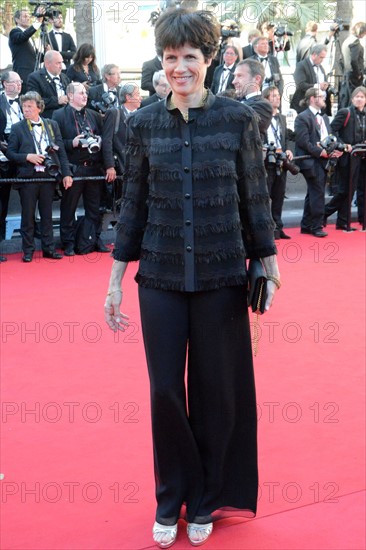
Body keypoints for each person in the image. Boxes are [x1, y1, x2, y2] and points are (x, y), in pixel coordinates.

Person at [104, 7, 280, 549]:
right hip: (158, 274)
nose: (180, 67)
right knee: (164, 392)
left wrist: (268, 265)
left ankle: (205, 500)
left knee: (216, 391)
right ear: (161, 62)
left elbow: (255, 196)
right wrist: (114, 280)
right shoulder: (142, 124)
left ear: (208, 61)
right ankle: (170, 495)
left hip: (222, 273)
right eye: (170, 58)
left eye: (190, 58)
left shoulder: (238, 120)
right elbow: (132, 205)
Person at [6, 91, 72, 262]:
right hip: (28, 177)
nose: (26, 109)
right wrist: (27, 157)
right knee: (27, 216)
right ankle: (28, 251)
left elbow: (61, 152)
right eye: (24, 106)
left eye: (29, 106)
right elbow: (11, 153)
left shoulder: (52, 124)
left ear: (39, 108)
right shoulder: (17, 127)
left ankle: (49, 249)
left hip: (49, 176)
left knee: (47, 215)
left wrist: (66, 174)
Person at [52, 82, 109, 256]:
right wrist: (73, 143)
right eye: (81, 93)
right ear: (70, 95)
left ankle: (95, 238)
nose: (85, 96)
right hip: (74, 169)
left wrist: (98, 140)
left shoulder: (93, 115)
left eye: (86, 93)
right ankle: (68, 242)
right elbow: (55, 142)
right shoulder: (59, 115)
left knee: (95, 208)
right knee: (69, 208)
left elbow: (104, 138)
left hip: (93, 168)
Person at [294, 88, 343, 237]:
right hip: (310, 161)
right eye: (321, 97)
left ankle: (306, 225)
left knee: (313, 192)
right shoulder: (302, 117)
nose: (324, 99)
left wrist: (336, 149)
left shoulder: (325, 118)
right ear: (312, 99)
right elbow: (303, 142)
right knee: (318, 193)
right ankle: (316, 226)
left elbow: (329, 137)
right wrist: (319, 152)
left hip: (323, 160)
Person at [324, 86, 366, 230]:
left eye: (362, 96)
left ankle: (344, 221)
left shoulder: (364, 115)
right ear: (352, 98)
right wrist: (342, 144)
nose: (359, 99)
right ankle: (324, 213)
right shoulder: (345, 112)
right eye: (357, 96)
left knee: (354, 190)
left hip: (361, 156)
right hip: (347, 157)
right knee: (345, 190)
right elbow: (332, 129)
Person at [262, 86, 293, 239]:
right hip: (267, 161)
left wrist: (287, 150)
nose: (277, 98)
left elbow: (284, 137)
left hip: (281, 160)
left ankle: (278, 228)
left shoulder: (281, 118)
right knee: (266, 196)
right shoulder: (261, 116)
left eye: (278, 95)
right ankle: (268, 229)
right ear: (266, 99)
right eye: (273, 95)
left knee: (279, 196)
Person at [0, 71, 25, 257]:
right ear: (4, 84)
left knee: (30, 197)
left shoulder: (26, 102)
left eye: (20, 82)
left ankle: (32, 238)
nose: (18, 85)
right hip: (3, 154)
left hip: (23, 152)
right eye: (14, 82)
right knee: (2, 202)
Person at [103, 83, 142, 184]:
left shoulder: (141, 115)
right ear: (128, 97)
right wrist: (110, 166)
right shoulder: (114, 113)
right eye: (137, 94)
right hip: (121, 167)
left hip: (139, 168)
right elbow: (107, 141)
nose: (140, 98)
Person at [8, 8, 47, 94]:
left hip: (34, 75)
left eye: (29, 16)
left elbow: (37, 57)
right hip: (23, 76)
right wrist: (38, 22)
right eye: (25, 16)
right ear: (17, 19)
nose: (28, 18)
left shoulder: (30, 38)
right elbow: (23, 36)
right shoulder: (14, 32)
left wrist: (47, 54)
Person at [232, 59, 273, 139]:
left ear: (257, 79)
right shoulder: (233, 100)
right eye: (234, 76)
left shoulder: (263, 106)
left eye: (239, 76)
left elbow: (236, 127)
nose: (234, 81)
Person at [26, 50, 69, 118]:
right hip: (49, 117)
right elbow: (34, 101)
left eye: (62, 62)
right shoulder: (35, 78)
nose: (61, 66)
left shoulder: (64, 77)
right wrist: (57, 100)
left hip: (67, 115)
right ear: (47, 64)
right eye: (58, 63)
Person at [290, 44, 331, 114]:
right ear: (314, 54)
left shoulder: (321, 67)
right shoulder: (301, 65)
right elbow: (301, 84)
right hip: (305, 106)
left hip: (321, 106)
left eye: (324, 58)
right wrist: (318, 86)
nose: (322, 60)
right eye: (321, 57)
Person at [339, 22, 366, 108]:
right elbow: (354, 60)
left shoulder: (347, 40)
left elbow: (341, 59)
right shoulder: (355, 42)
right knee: (355, 101)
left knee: (348, 100)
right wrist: (358, 74)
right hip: (354, 77)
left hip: (348, 74)